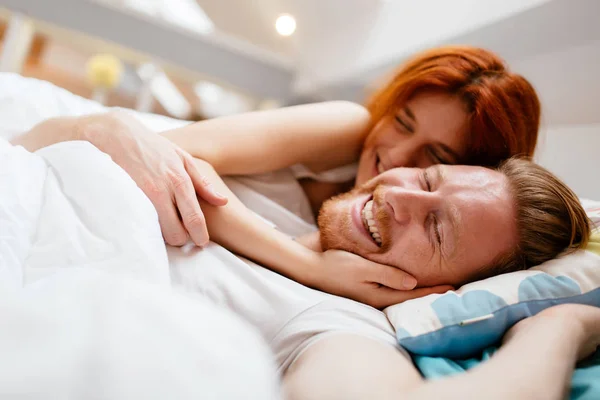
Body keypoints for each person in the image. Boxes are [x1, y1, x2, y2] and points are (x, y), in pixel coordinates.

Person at [12, 119, 595, 400]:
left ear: (438, 292)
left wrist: (561, 325)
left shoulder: (339, 326)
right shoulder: (266, 202)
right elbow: (41, 136)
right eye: (426, 177)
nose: (397, 196)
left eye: (437, 228)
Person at [13, 45, 543, 307]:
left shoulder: (391, 236)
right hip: (77, 135)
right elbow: (172, 164)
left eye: (432, 158)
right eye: (400, 123)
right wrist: (306, 266)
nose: (394, 157)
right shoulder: (347, 128)